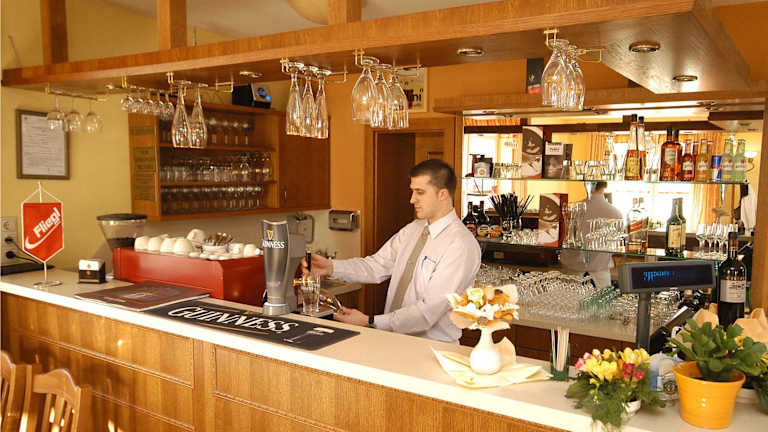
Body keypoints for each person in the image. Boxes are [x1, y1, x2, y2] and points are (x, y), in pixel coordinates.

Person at [302, 159, 481, 343]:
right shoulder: (413, 229)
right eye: (412, 191)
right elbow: (376, 266)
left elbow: (428, 312)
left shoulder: (461, 245)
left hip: (430, 348)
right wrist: (331, 267)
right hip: (393, 341)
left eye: (420, 192)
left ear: (443, 194)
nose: (412, 199)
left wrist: (370, 322)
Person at [560, 181, 622, 288]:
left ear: (586, 184)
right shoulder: (615, 213)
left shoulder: (573, 210)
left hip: (573, 275)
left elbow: (564, 240)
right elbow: (615, 246)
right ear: (605, 185)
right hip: (600, 277)